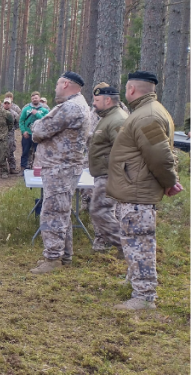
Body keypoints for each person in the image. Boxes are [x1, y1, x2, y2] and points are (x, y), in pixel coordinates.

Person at [108, 71, 182, 310]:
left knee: (139, 243)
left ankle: (144, 296)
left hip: (137, 193)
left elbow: (160, 156)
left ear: (131, 89)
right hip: (135, 190)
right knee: (133, 242)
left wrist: (169, 182)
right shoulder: (147, 111)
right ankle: (136, 285)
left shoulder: (147, 116)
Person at [29, 71, 92, 274]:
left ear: (65, 84)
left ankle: (53, 259)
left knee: (53, 212)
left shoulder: (70, 107)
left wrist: (36, 124)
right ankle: (64, 255)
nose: (55, 88)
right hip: (65, 167)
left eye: (57, 84)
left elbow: (39, 130)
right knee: (62, 211)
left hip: (60, 167)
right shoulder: (78, 104)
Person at [87, 83, 128, 255]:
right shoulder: (107, 117)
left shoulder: (117, 119)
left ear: (108, 100)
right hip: (104, 173)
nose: (94, 103)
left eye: (97, 100)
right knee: (101, 211)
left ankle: (127, 246)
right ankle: (125, 246)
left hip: (110, 175)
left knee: (99, 211)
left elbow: (124, 150)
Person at [19, 91, 49, 170]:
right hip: (27, 134)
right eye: (33, 98)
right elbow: (21, 121)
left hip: (39, 135)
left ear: (39, 98)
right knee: (25, 152)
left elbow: (47, 121)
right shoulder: (26, 109)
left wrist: (37, 114)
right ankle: (23, 168)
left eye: (36, 98)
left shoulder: (45, 110)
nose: (34, 99)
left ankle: (37, 169)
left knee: (38, 153)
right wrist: (23, 131)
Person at [2, 98, 20, 174]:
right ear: (3, 104)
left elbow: (18, 123)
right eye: (5, 103)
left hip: (10, 135)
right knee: (1, 152)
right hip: (1, 135)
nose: (6, 105)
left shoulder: (14, 114)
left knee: (10, 151)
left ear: (11, 104)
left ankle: (12, 168)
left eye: (8, 103)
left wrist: (12, 129)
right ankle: (3, 169)